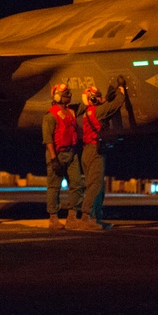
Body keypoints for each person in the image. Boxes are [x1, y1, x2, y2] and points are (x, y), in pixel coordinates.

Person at [79, 78, 127, 230]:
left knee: (98, 184)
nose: (100, 99)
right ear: (92, 99)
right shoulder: (98, 112)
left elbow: (105, 104)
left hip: (89, 151)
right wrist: (121, 90)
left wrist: (106, 96)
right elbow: (115, 105)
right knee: (96, 185)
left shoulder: (89, 112)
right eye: (97, 97)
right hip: (95, 151)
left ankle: (96, 218)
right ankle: (87, 217)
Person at [42, 83, 84, 230]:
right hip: (58, 154)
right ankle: (53, 218)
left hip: (71, 152)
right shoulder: (50, 115)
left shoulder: (71, 112)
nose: (69, 94)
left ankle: (72, 217)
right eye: (65, 92)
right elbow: (48, 139)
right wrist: (53, 158)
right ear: (57, 96)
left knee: (77, 184)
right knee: (54, 186)